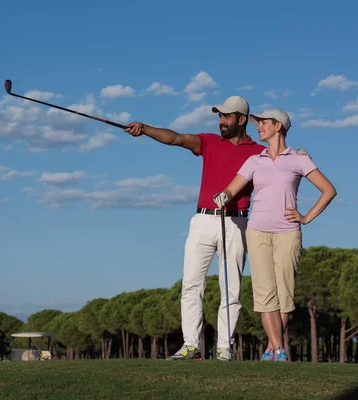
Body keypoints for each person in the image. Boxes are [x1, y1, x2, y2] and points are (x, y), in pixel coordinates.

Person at [125, 95, 266, 361]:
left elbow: (281, 162)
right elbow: (176, 138)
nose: (221, 121)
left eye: (226, 116)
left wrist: (299, 154)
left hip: (237, 221)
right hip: (203, 220)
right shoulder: (210, 142)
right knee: (191, 285)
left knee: (231, 288)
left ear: (242, 119)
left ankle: (224, 348)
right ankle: (191, 345)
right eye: (219, 116)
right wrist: (145, 129)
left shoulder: (258, 152)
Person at [213, 108, 336, 362]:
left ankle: (272, 347)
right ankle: (279, 350)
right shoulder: (254, 161)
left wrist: (306, 217)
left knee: (284, 295)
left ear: (278, 126)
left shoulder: (299, 159)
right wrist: (223, 197)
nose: (258, 127)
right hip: (257, 232)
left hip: (288, 233)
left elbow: (328, 190)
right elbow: (233, 188)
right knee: (264, 293)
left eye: (263, 123)